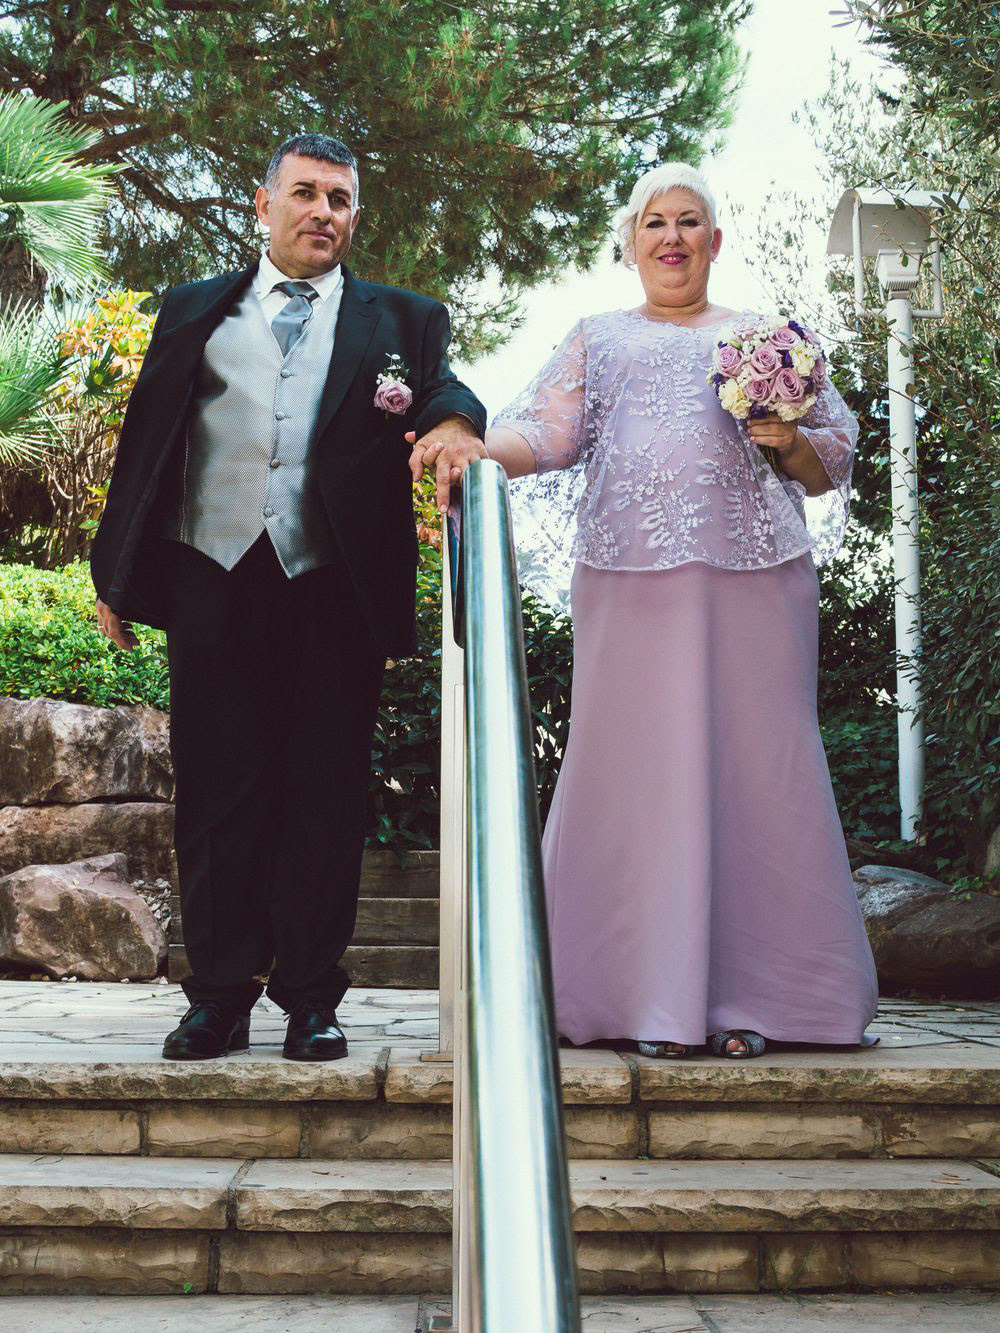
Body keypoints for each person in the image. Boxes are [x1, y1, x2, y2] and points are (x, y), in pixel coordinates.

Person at [415, 163, 877, 1058]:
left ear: (715, 240)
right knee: (631, 771)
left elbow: (832, 462)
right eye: (654, 222)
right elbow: (544, 432)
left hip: (757, 580)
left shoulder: (765, 337)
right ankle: (631, 997)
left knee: (761, 772)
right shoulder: (598, 338)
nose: (671, 236)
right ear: (630, 243)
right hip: (626, 582)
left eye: (688, 220)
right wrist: (472, 448)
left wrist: (788, 440)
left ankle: (767, 999)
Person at [92, 133, 487, 1061]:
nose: (323, 212)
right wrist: (117, 571)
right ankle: (218, 997)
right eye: (306, 193)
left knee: (325, 790)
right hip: (211, 572)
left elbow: (444, 390)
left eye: (340, 199)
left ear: (354, 216)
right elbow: (147, 440)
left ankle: (311, 997)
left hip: (331, 585)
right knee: (217, 791)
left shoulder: (404, 318)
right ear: (264, 205)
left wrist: (458, 426)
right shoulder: (192, 308)